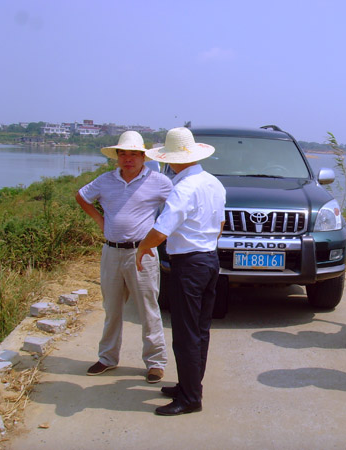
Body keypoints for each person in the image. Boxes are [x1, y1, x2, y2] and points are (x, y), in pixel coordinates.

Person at [135, 127, 226, 416]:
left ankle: (190, 398)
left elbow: (161, 230)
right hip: (209, 259)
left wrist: (142, 248)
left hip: (189, 264)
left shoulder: (184, 188)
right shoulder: (213, 182)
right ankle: (190, 385)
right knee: (199, 330)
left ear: (171, 159)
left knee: (186, 333)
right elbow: (221, 224)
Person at [75, 131, 173, 383]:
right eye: (123, 154)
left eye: (134, 154)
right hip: (111, 252)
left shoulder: (159, 181)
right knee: (112, 308)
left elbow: (177, 206)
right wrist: (100, 220)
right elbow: (81, 196)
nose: (128, 159)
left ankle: (155, 362)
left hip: (142, 252)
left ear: (143, 157)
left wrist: (161, 231)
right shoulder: (105, 180)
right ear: (117, 156)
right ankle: (107, 358)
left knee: (148, 309)